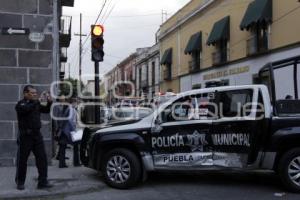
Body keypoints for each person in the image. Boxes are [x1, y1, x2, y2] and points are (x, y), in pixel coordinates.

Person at [15, 85, 53, 190]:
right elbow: (27, 109)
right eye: (32, 93)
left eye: (35, 93)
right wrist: (39, 100)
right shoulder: (20, 104)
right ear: (25, 93)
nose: (34, 95)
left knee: (42, 159)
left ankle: (42, 182)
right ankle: (20, 182)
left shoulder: (35, 104)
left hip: (37, 135)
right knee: (22, 160)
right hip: (25, 136)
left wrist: (49, 102)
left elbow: (45, 110)